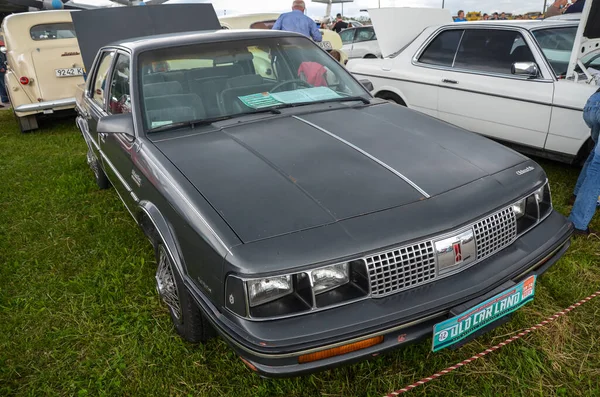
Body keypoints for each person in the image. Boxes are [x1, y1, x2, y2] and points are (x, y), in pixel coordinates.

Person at [568, 88, 600, 236]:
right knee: (598, 168)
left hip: (593, 103)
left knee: (595, 155)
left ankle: (576, 196)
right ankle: (578, 224)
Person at [0, 40, 9, 107]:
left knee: (1, 85)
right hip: (1, 70)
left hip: (2, 68)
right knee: (3, 84)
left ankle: (4, 99)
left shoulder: (1, 52)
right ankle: (5, 98)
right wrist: (1, 68)